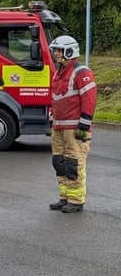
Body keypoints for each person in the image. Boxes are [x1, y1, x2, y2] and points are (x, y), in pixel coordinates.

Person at [48, 36, 97, 213]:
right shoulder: (58, 72)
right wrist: (52, 120)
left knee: (73, 163)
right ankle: (65, 197)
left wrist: (84, 124)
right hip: (59, 128)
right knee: (59, 162)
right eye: (55, 50)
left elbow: (89, 98)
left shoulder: (81, 71)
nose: (56, 53)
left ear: (69, 51)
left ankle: (76, 201)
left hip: (75, 128)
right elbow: (55, 99)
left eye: (59, 50)